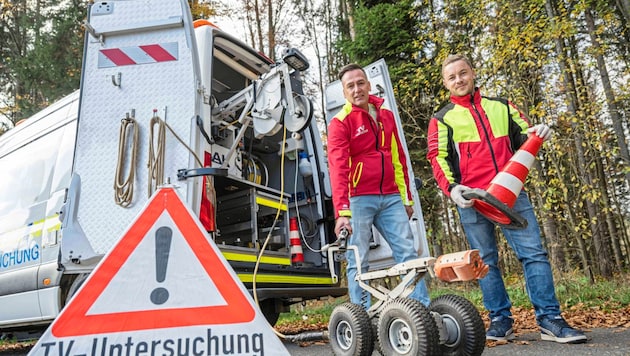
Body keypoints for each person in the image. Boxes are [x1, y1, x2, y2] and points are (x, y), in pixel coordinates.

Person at [427, 54, 587, 344]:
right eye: (452, 77)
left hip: (511, 194)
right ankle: (500, 321)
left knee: (534, 255)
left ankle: (550, 319)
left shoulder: (501, 106)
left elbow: (527, 134)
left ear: (472, 74)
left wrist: (539, 132)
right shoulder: (441, 119)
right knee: (484, 261)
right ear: (445, 83)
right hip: (473, 200)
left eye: (463, 73)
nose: (459, 80)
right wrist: (452, 189)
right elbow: (437, 158)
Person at [327, 63, 430, 309]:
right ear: (344, 93)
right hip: (358, 200)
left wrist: (406, 199)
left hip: (391, 197)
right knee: (358, 261)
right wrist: (342, 212)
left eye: (360, 83)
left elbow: (397, 157)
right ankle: (361, 318)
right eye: (350, 86)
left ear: (368, 84)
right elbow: (338, 169)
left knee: (408, 255)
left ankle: (420, 311)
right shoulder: (339, 123)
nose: (356, 89)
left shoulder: (385, 115)